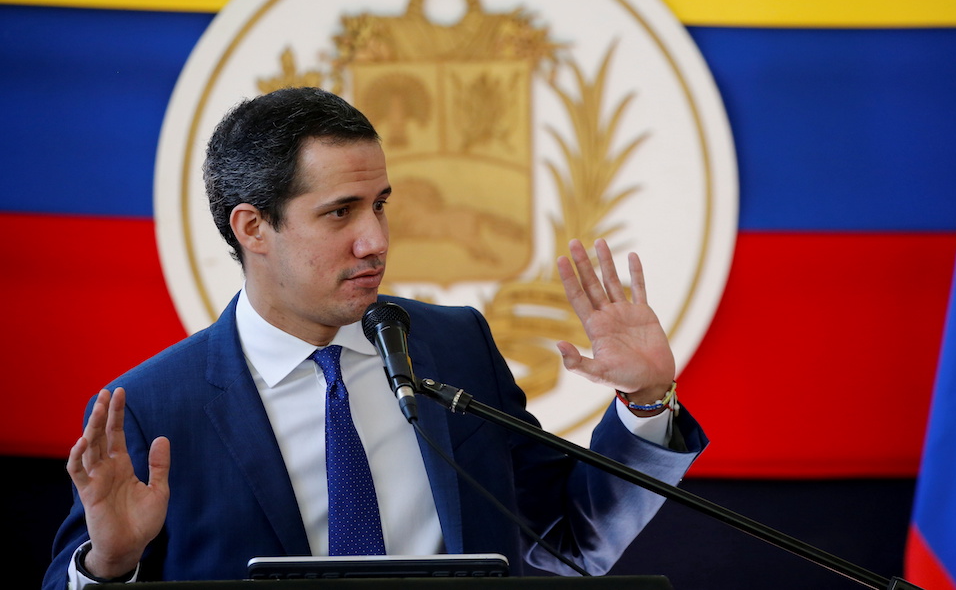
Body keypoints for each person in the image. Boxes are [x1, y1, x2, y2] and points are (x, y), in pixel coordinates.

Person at [44, 87, 707, 588]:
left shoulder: (453, 346)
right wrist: (110, 564)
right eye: (340, 212)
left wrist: (646, 398)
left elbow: (570, 541)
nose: (377, 241)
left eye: (380, 204)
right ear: (251, 227)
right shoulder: (155, 407)